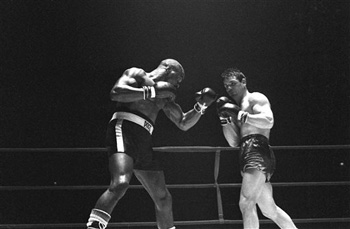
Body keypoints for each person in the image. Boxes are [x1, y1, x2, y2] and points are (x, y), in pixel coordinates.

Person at [86, 59, 217, 229]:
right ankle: (94, 226)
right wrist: (151, 92)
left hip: (144, 139)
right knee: (121, 183)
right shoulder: (138, 75)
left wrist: (201, 106)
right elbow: (116, 93)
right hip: (125, 128)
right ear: (169, 69)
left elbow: (183, 122)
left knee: (163, 197)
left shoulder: (165, 96)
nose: (179, 83)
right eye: (179, 78)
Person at [216, 68, 297, 229]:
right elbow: (234, 142)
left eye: (232, 84)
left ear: (243, 81)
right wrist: (225, 120)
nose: (229, 89)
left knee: (246, 203)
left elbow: (269, 120)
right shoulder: (237, 107)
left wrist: (245, 116)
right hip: (246, 151)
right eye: (226, 86)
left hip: (258, 150)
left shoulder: (255, 98)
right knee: (269, 210)